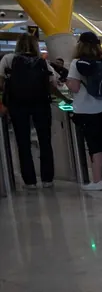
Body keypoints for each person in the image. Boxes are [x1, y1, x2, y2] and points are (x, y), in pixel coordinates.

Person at [0, 33, 60, 189]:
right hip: (41, 104)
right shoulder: (42, 62)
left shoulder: (8, 59)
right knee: (45, 141)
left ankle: (30, 181)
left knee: (23, 142)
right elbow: (53, 83)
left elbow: (1, 81)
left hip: (17, 104)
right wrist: (65, 101)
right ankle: (47, 179)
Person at [66, 32, 102, 191]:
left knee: (95, 145)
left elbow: (75, 87)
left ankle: (97, 181)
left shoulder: (77, 63)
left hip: (87, 110)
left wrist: (68, 82)